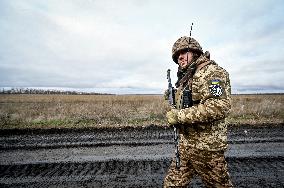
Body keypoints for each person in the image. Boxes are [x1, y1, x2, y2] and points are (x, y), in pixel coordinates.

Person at [164, 36, 233, 188]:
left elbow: (219, 105)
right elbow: (192, 99)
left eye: (183, 52)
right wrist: (174, 95)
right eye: (177, 55)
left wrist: (179, 116)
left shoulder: (211, 72)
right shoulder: (188, 76)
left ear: (195, 52)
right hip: (184, 144)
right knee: (172, 184)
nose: (180, 57)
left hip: (206, 148)